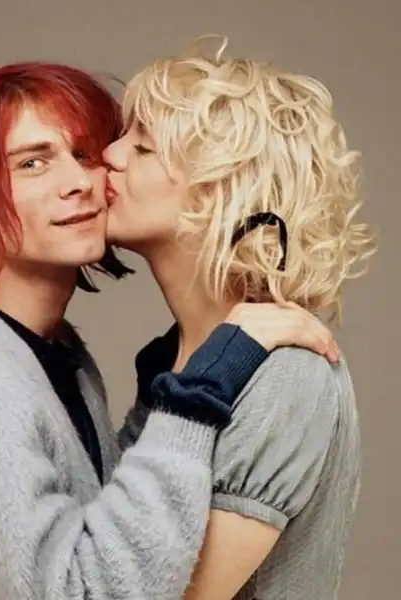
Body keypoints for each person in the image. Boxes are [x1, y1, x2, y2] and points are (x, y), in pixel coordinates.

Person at [0, 62, 337, 600]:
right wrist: (192, 396)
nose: (78, 182)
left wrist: (162, 399)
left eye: (83, 154)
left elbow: (97, 537)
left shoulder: (54, 355)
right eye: (32, 163)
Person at [104, 35, 377, 599]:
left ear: (218, 193)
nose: (110, 155)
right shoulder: (178, 359)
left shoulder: (288, 375)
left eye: (143, 147)